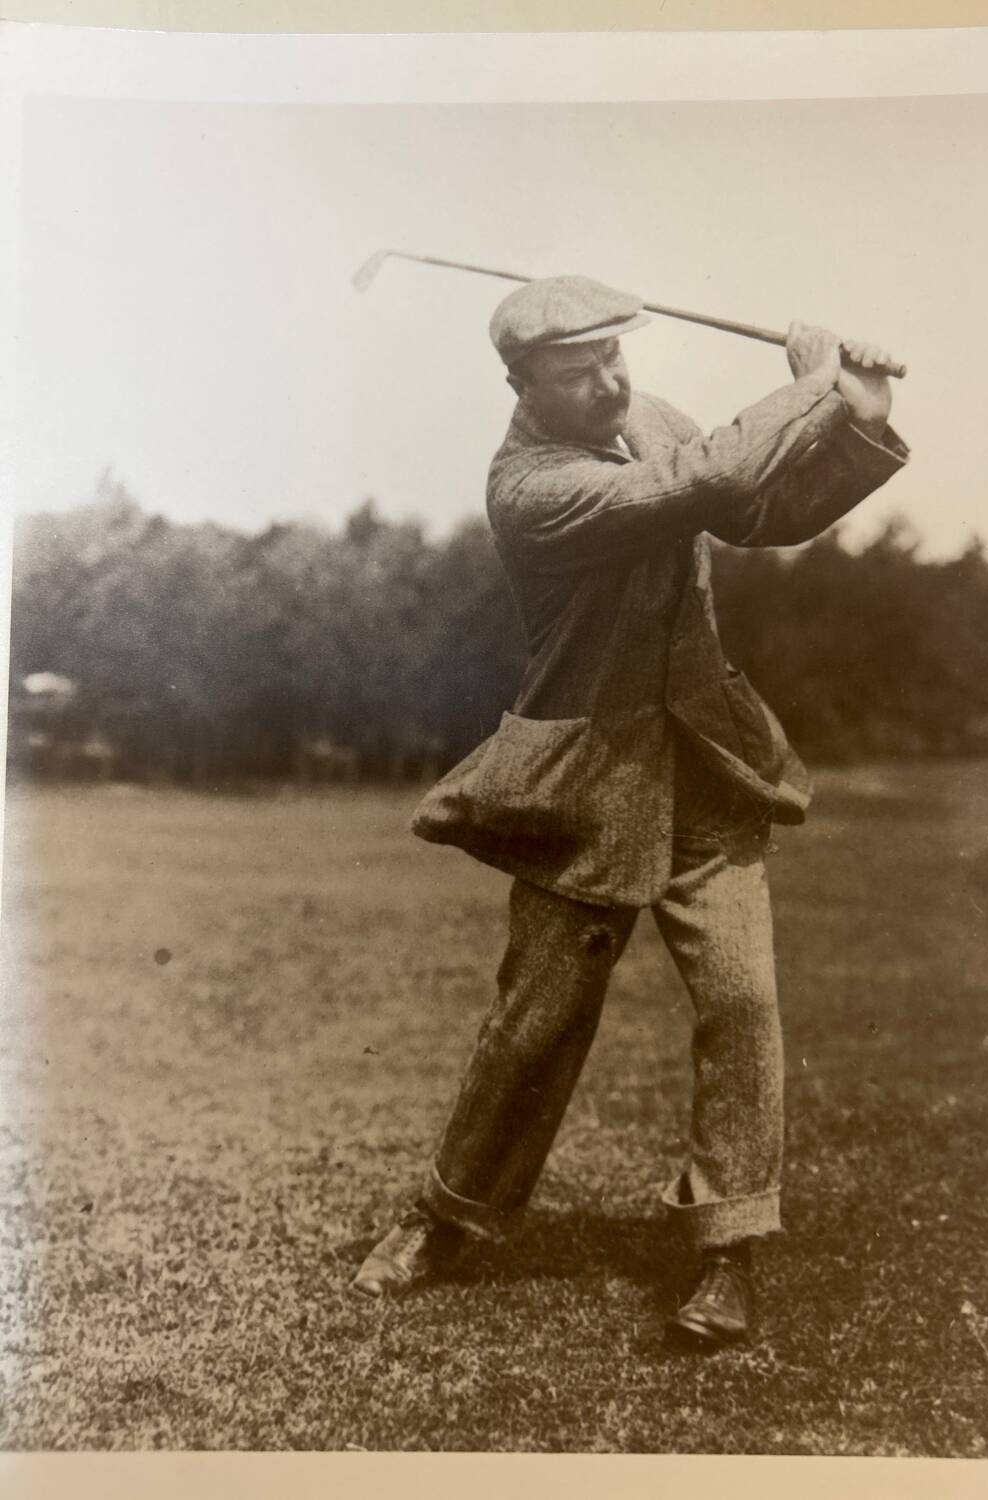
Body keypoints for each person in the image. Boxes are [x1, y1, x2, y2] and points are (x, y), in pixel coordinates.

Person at [351, 274, 909, 1348]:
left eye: (617, 358)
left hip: (706, 759)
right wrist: (810, 388)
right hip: (585, 778)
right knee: (534, 1026)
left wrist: (857, 423)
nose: (610, 384)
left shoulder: (647, 417)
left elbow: (757, 509)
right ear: (520, 385)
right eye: (578, 373)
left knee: (743, 1006)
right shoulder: (529, 488)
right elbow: (706, 482)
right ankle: (448, 1217)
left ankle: (729, 1253)